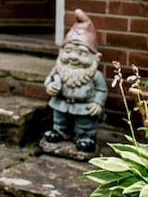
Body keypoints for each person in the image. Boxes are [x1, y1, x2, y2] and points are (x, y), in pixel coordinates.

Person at [42, 9, 107, 154]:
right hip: (61, 103)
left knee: (84, 124)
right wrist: (50, 86)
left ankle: (85, 137)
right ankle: (60, 132)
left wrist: (98, 103)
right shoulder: (58, 69)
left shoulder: (95, 75)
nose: (73, 57)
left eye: (82, 53)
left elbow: (101, 90)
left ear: (95, 57)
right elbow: (49, 80)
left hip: (84, 107)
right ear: (61, 52)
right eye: (68, 50)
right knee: (59, 120)